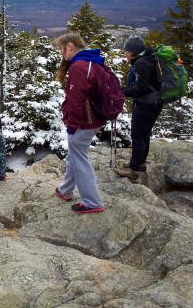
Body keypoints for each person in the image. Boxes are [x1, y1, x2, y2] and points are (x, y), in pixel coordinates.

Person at [54, 32, 106, 213]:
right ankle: (66, 189)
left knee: (79, 158)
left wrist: (72, 126)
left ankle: (92, 201)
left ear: (70, 46)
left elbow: (76, 100)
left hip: (85, 121)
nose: (61, 53)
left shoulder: (79, 66)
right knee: (75, 154)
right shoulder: (94, 61)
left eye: (61, 49)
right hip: (96, 118)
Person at [113, 36, 163, 181]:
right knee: (144, 133)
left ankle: (133, 169)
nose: (124, 53)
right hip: (153, 103)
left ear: (133, 52)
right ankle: (140, 163)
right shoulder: (147, 59)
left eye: (126, 51)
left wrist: (121, 93)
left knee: (137, 135)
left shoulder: (142, 63)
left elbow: (141, 87)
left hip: (147, 104)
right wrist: (121, 90)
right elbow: (141, 85)